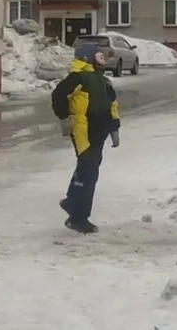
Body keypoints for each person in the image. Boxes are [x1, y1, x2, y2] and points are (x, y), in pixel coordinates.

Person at [51, 43, 120, 234]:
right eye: (98, 54)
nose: (102, 57)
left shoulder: (104, 81)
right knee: (88, 173)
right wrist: (65, 118)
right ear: (87, 58)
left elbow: (112, 105)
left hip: (100, 133)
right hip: (84, 132)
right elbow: (58, 95)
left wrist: (114, 128)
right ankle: (78, 218)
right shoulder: (78, 77)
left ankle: (72, 201)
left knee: (88, 169)